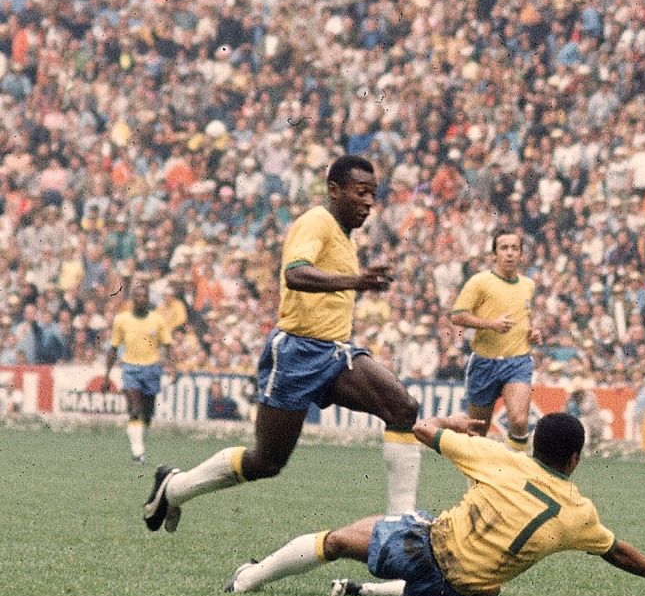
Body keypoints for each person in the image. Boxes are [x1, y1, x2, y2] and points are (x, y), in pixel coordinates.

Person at [143, 155, 424, 533]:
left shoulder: (343, 234)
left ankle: (399, 526)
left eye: (373, 194)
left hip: (337, 353)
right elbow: (295, 274)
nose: (369, 202)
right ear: (334, 190)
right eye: (361, 193)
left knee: (402, 408)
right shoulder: (315, 222)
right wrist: (354, 281)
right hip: (298, 353)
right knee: (267, 462)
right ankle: (174, 488)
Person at [225, 412, 645, 596]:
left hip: (426, 552)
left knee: (339, 538)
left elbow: (422, 431)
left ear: (535, 442)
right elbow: (616, 551)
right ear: (576, 459)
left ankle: (248, 579)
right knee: (487, 587)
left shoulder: (498, 454)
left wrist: (449, 422)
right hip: (469, 588)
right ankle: (363, 592)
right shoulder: (579, 514)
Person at [450, 230, 541, 452]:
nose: (509, 253)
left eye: (514, 248)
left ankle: (510, 476)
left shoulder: (528, 285)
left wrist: (532, 333)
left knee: (519, 421)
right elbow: (457, 316)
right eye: (504, 248)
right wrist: (491, 324)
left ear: (521, 255)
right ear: (494, 255)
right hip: (484, 362)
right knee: (478, 430)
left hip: (517, 361)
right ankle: (477, 482)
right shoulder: (480, 282)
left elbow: (526, 318)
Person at [102, 282, 173, 463]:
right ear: (132, 299)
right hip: (130, 368)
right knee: (134, 410)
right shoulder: (122, 320)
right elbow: (113, 348)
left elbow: (167, 345)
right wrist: (106, 375)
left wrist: (172, 367)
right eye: (138, 296)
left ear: (148, 299)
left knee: (147, 414)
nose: (141, 299)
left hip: (152, 369)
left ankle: (140, 444)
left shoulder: (157, 320)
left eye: (144, 296)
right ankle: (137, 452)